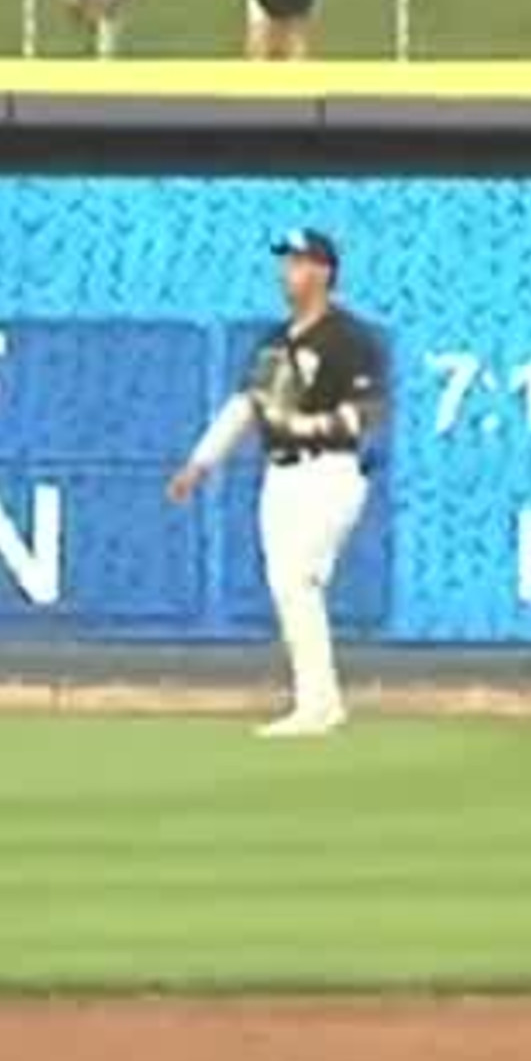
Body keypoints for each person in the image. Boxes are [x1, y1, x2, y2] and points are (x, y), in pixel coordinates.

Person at [165, 227, 388, 741]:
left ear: (323, 272)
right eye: (285, 263)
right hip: (282, 475)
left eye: (298, 262)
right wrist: (201, 463)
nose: (287, 272)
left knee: (298, 581)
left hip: (328, 470)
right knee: (289, 587)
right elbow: (249, 405)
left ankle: (320, 705)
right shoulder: (279, 341)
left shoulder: (348, 338)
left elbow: (369, 410)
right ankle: (318, 700)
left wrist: (313, 426)